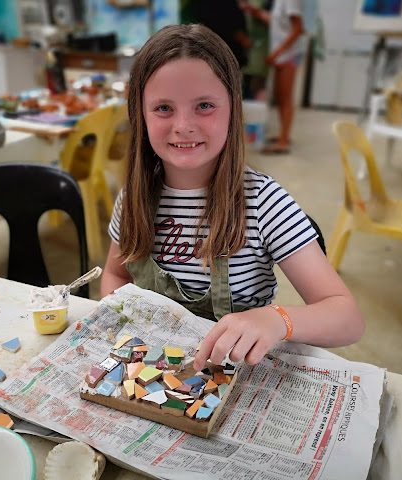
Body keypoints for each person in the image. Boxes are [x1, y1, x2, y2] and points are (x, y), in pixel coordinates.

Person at [100, 24, 364, 372]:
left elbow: (346, 317)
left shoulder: (264, 203)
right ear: (140, 114)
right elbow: (116, 277)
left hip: (236, 376)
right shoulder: (133, 198)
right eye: (163, 108)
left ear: (232, 109)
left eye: (204, 105)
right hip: (155, 372)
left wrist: (275, 320)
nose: (183, 125)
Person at [240, 0, 308, 154]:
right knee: (280, 96)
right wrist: (256, 13)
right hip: (282, 54)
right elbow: (278, 22)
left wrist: (277, 53)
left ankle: (283, 142)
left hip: (289, 54)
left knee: (285, 97)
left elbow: (298, 29)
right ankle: (283, 136)